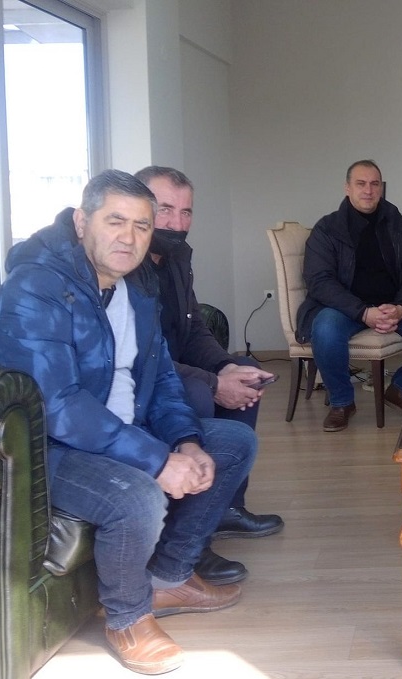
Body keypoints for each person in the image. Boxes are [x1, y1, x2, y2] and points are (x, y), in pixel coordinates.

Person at [0, 170, 256, 674]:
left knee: (232, 443)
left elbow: (162, 376)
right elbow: (58, 405)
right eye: (115, 221)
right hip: (47, 447)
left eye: (142, 226)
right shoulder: (36, 289)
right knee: (137, 495)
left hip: (122, 430)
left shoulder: (138, 286)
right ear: (82, 222)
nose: (129, 237)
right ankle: (127, 618)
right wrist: (157, 461)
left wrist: (186, 441)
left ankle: (169, 579)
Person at [136, 166, 284, 586]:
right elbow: (142, 356)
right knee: (199, 395)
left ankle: (226, 508)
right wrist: (214, 383)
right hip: (144, 379)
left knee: (246, 372)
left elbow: (193, 328)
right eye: (165, 210)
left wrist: (225, 367)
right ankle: (188, 538)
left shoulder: (178, 257)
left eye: (186, 212)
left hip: (171, 368)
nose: (176, 223)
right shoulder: (125, 264)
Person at [297, 159, 402, 432]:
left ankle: (401, 387)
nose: (368, 190)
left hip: (393, 305)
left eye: (374, 184)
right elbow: (319, 281)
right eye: (361, 184)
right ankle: (341, 402)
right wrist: (363, 313)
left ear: (381, 188)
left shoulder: (398, 223)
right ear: (347, 188)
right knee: (324, 328)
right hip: (345, 309)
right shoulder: (327, 228)